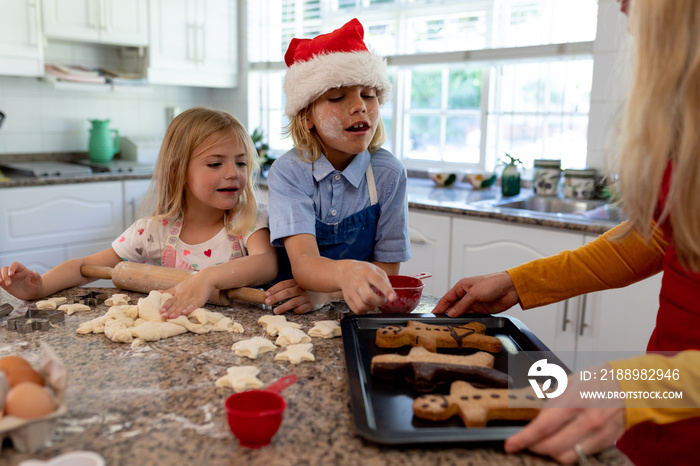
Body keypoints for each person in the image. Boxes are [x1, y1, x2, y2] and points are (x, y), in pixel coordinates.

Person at [433, 0, 700, 464]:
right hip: (664, 421)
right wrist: (518, 282)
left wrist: (632, 385)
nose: (620, 4)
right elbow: (657, 238)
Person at [1, 107, 278, 319]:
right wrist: (40, 287)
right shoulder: (154, 232)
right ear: (178, 172)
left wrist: (207, 278)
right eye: (216, 164)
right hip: (176, 340)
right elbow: (85, 267)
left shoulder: (248, 219)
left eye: (241, 163)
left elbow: (265, 263)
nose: (233, 173)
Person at [265, 18, 411, 315]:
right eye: (337, 96)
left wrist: (327, 295)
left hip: (350, 310)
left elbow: (387, 269)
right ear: (307, 117)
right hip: (286, 310)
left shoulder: (388, 174)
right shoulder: (290, 172)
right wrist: (343, 277)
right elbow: (304, 264)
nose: (360, 106)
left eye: (368, 95)